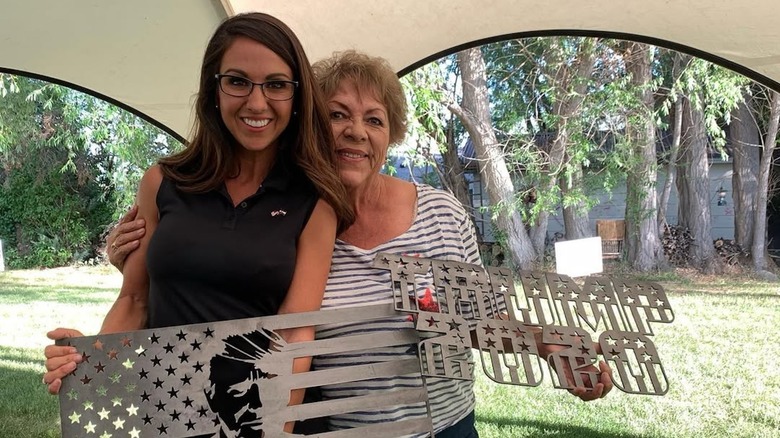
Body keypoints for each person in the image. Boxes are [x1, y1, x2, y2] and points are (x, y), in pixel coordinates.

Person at [101, 50, 613, 437]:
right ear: (310, 128)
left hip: (444, 427)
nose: (355, 132)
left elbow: (482, 322)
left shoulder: (439, 214)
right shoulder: (285, 222)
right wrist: (130, 260)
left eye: (374, 119)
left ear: (391, 135)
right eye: (337, 114)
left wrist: (548, 345)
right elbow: (219, 296)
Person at [42, 12, 355, 434]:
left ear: (297, 97)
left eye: (277, 85)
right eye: (238, 81)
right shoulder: (161, 182)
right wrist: (91, 359)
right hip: (169, 412)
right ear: (214, 89)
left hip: (260, 416)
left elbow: (296, 330)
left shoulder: (314, 201)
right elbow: (134, 301)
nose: (257, 103)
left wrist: (272, 429)